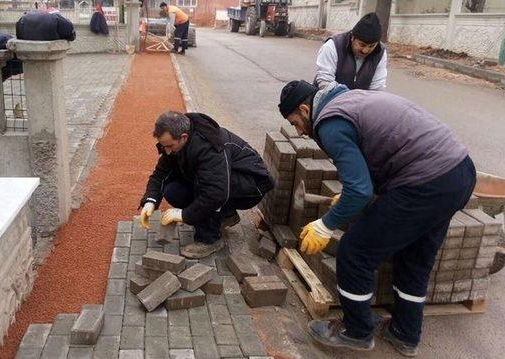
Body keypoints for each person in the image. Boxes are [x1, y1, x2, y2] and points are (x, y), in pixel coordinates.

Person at [278, 80, 475, 356]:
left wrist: (326, 224)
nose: (299, 132)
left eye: (295, 123)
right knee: (414, 257)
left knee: (354, 251)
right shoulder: (353, 101)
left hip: (426, 183)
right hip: (459, 173)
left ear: (304, 109)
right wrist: (358, 198)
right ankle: (405, 334)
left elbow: (359, 188)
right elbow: (382, 161)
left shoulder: (329, 123)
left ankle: (356, 332)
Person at [139, 111, 273, 259]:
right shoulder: (175, 142)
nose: (167, 151)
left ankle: (210, 239)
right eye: (164, 146)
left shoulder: (208, 147)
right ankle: (226, 215)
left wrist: (184, 214)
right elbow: (161, 173)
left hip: (252, 185)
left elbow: (215, 193)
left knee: (205, 185)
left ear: (183, 137)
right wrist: (150, 201)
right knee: (173, 190)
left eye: (170, 146)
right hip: (225, 181)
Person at [314, 12, 387, 90]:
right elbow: (325, 81)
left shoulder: (380, 52)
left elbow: (377, 86)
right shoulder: (333, 45)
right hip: (327, 97)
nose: (365, 50)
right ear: (352, 37)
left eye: (371, 46)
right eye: (362, 45)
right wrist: (345, 101)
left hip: (360, 100)